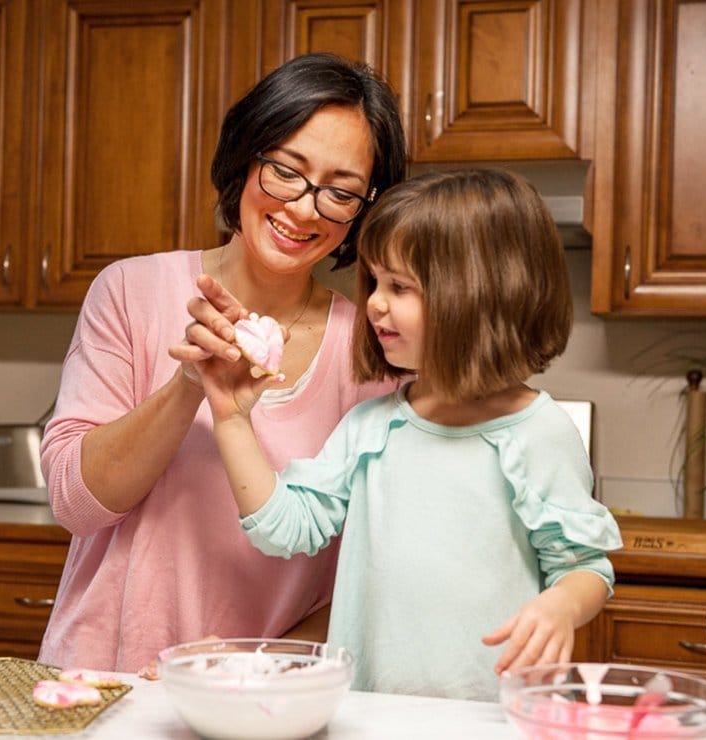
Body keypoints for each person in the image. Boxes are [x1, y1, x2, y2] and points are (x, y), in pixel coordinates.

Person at [190, 168, 623, 701]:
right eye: (374, 281)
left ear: (478, 296)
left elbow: (584, 567)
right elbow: (285, 529)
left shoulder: (539, 434)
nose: (372, 302)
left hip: (492, 721)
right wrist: (231, 419)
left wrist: (560, 606)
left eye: (399, 286)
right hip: (371, 715)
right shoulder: (373, 427)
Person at [37, 52, 407, 673]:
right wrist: (190, 384)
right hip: (100, 681)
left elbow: (369, 578)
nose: (305, 207)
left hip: (262, 695)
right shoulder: (129, 292)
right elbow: (76, 504)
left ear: (362, 211)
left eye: (340, 192)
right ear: (245, 158)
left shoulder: (369, 348)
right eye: (286, 171)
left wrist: (238, 662)